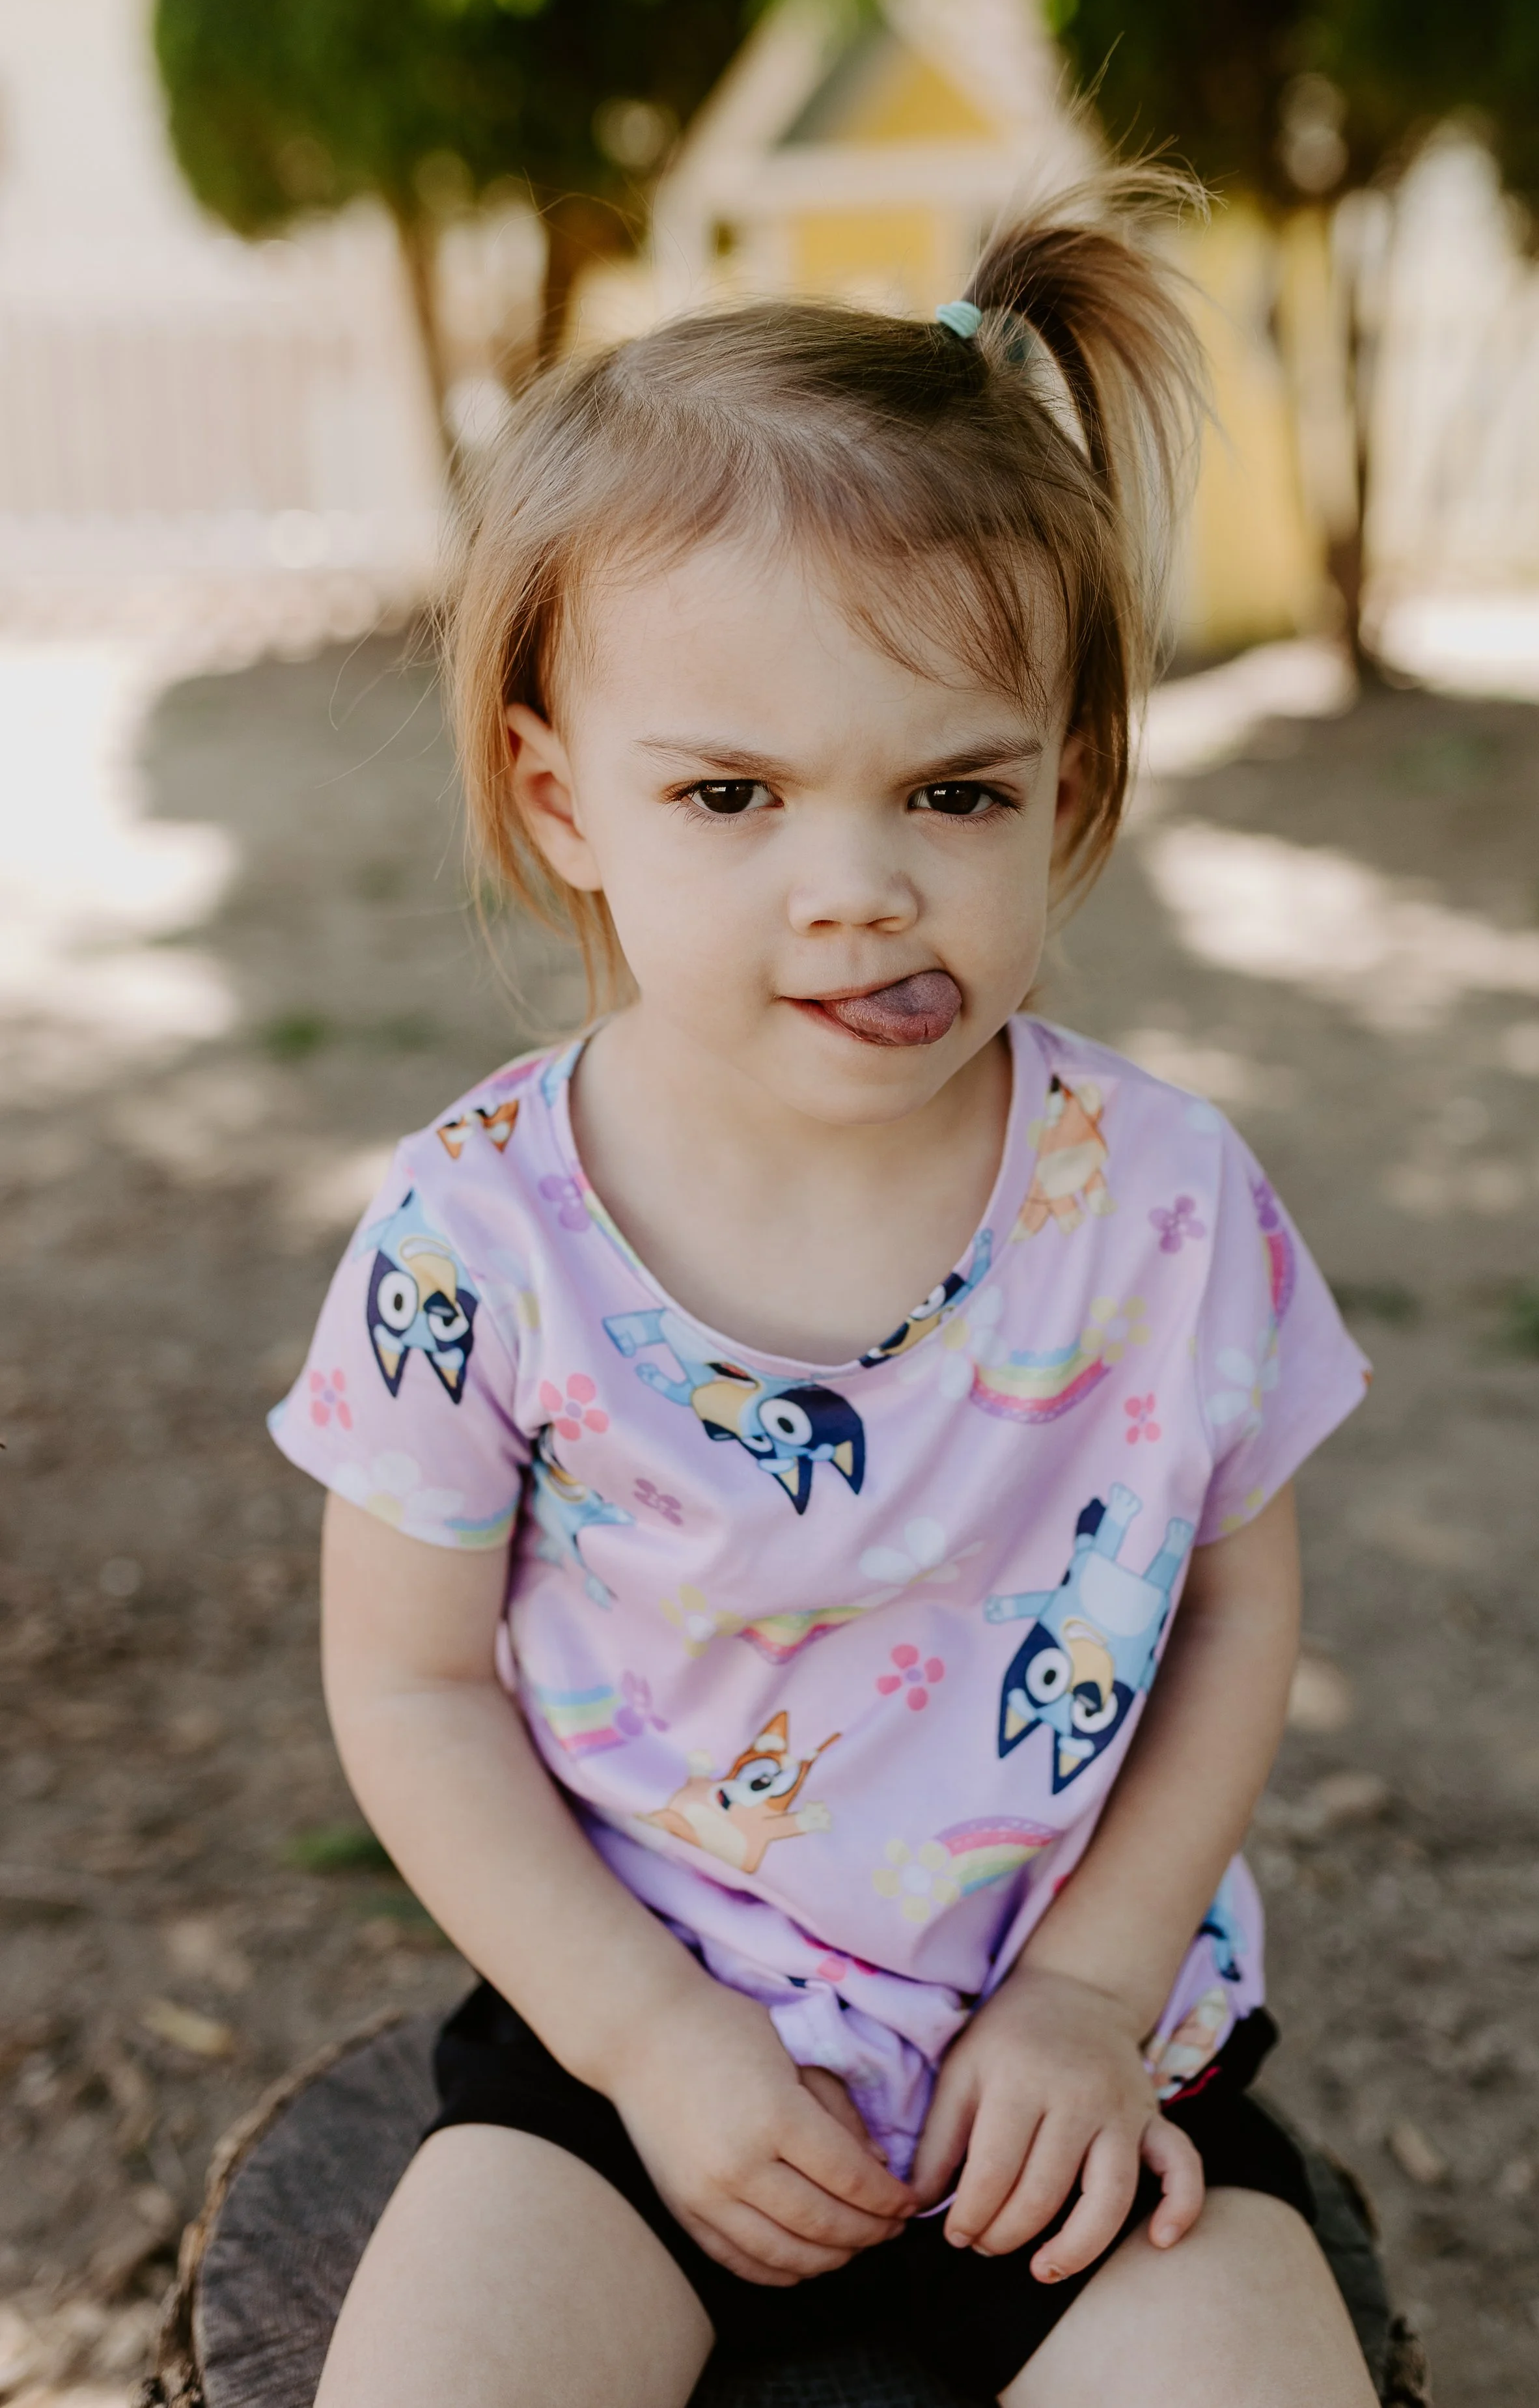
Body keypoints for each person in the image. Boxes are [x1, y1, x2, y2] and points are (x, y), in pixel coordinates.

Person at [270, 193, 1379, 2407]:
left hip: (1070, 2071)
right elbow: (410, 1688)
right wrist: (650, 2040)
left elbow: (1234, 1615)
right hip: (628, 2059)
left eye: (951, 788)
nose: (856, 885)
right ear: (559, 795)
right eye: (734, 793)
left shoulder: (1163, 1205)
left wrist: (1084, 1989)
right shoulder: (478, 1235)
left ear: (1063, 789)